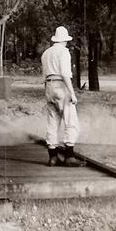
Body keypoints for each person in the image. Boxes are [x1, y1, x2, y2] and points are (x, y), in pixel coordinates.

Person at [40, 26, 84, 167]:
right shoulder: (64, 52)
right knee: (71, 121)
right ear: (65, 40)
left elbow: (44, 75)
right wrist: (72, 93)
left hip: (48, 86)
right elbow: (65, 73)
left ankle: (53, 157)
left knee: (52, 123)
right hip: (60, 86)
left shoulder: (46, 53)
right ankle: (69, 156)